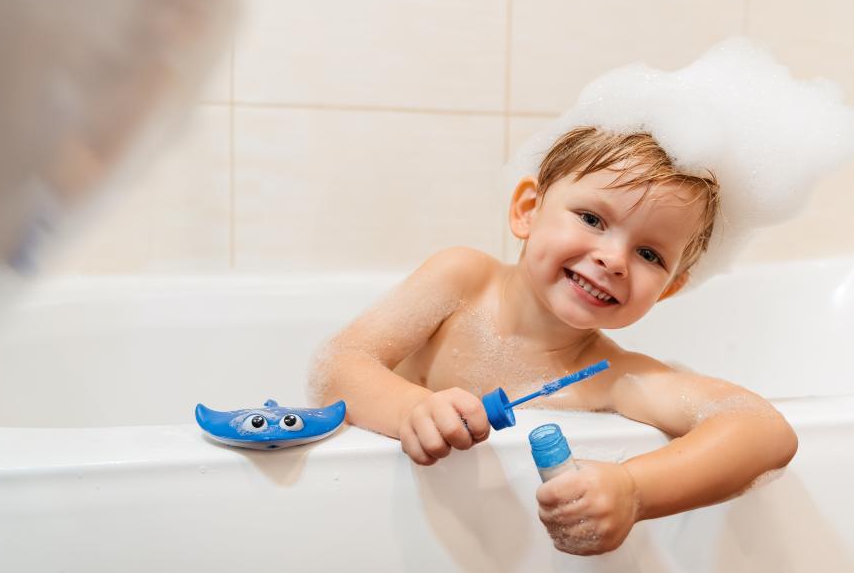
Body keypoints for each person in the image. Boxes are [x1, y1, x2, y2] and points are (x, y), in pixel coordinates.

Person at [312, 123, 799, 555]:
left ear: (668, 288)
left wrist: (633, 490)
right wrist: (409, 409)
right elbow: (340, 364)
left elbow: (764, 431)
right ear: (527, 210)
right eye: (592, 219)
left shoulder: (613, 377)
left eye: (649, 254)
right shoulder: (461, 281)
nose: (613, 259)